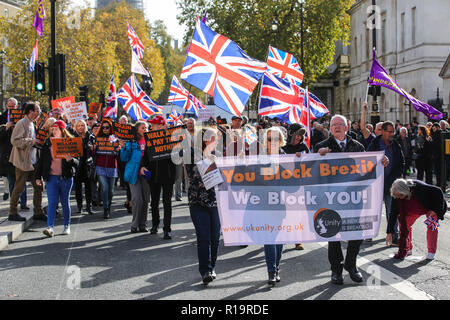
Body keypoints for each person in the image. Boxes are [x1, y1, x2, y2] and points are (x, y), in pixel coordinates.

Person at [315, 114, 389, 285]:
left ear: (347, 127)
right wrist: (319, 157)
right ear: (330, 129)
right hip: (332, 198)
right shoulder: (321, 147)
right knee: (334, 234)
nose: (337, 127)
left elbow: (367, 168)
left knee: (357, 233)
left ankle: (351, 264)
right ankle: (336, 270)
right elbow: (311, 170)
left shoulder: (357, 146)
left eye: (341, 124)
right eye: (334, 125)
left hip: (354, 197)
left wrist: (381, 162)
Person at [185, 127, 222, 285]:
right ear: (205, 140)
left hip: (216, 203)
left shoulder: (219, 156)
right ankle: (205, 270)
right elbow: (195, 175)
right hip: (198, 202)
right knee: (203, 237)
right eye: (213, 138)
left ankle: (212, 267)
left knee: (215, 238)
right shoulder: (191, 154)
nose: (216, 141)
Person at [35, 120, 79, 237]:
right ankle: (50, 227)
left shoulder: (70, 142)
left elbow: (77, 162)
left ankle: (66, 225)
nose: (53, 131)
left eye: (56, 129)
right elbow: (41, 161)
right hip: (51, 177)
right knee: (52, 202)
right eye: (52, 129)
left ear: (62, 130)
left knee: (65, 202)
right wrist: (38, 176)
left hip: (65, 178)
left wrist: (70, 159)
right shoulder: (47, 143)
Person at [386, 179, 447, 260]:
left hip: (429, 207)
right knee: (403, 224)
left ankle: (431, 252)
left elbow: (438, 191)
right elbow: (393, 213)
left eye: (400, 195)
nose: (398, 198)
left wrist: (436, 210)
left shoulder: (420, 188)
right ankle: (408, 248)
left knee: (432, 227)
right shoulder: (396, 197)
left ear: (406, 191)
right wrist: (389, 232)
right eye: (396, 196)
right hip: (413, 209)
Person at [368, 121, 405, 246]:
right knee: (373, 211)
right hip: (376, 184)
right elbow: (367, 162)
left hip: (391, 184)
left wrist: (399, 176)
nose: (391, 134)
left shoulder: (395, 144)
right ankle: (369, 234)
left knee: (392, 211)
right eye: (389, 132)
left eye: (393, 132)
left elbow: (401, 162)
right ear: (382, 131)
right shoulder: (374, 144)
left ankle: (394, 236)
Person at [8, 102, 45, 222]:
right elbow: (14, 141)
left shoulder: (33, 124)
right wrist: (31, 141)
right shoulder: (21, 123)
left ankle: (38, 212)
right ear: (30, 111)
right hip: (23, 162)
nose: (39, 112)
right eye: (37, 110)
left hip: (33, 161)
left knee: (39, 186)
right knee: (19, 187)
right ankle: (12, 212)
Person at [144, 116, 176, 239]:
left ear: (162, 126)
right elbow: (146, 156)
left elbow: (177, 157)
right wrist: (143, 167)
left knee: (167, 203)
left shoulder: (171, 138)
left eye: (155, 124)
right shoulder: (149, 139)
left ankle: (167, 229)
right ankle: (154, 225)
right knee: (154, 202)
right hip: (152, 175)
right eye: (152, 124)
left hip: (167, 175)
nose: (152, 127)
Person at [120, 121, 150, 233]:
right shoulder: (131, 142)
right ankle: (134, 224)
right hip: (134, 173)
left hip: (147, 173)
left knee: (146, 199)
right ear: (137, 129)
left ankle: (143, 224)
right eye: (143, 127)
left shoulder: (150, 140)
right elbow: (124, 158)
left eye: (146, 127)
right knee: (137, 199)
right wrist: (123, 148)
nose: (145, 129)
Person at [283, 124, 309, 251]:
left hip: (298, 184)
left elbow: (311, 163)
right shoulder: (282, 147)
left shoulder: (304, 147)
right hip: (283, 184)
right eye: (297, 134)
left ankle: (298, 239)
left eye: (301, 135)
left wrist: (303, 159)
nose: (299, 138)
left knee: (297, 213)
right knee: (283, 213)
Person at [0, 98, 27, 210]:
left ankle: (24, 202)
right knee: (11, 180)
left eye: (13, 106)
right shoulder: (1, 118)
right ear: (7, 106)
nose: (11, 108)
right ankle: (13, 203)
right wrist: (5, 129)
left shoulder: (22, 118)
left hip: (20, 153)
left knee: (22, 179)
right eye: (9, 106)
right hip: (8, 155)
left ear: (17, 106)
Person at [94, 118, 121, 219]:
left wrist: (119, 150)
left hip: (112, 167)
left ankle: (108, 206)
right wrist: (94, 148)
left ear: (110, 128)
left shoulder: (114, 138)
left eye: (107, 127)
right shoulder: (98, 138)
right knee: (104, 187)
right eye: (103, 127)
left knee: (111, 191)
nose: (105, 129)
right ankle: (105, 208)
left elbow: (118, 155)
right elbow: (94, 154)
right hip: (100, 166)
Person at [73, 119, 94, 214]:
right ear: (76, 127)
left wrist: (92, 148)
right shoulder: (73, 136)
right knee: (78, 187)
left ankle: (89, 206)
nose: (81, 127)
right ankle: (79, 206)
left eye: (82, 125)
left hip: (87, 164)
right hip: (77, 164)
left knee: (88, 186)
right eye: (79, 125)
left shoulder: (90, 136)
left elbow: (94, 149)